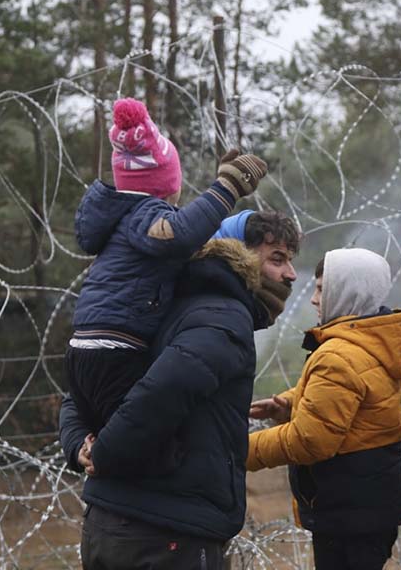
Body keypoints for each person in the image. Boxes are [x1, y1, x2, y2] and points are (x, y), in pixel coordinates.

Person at [59, 212, 300, 570]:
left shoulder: (167, 303)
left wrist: (80, 444)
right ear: (240, 255)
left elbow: (85, 384)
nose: (291, 274)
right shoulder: (223, 315)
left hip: (114, 525)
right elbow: (163, 392)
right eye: (277, 259)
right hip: (166, 535)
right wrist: (104, 455)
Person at [67, 96, 267, 435]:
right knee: (147, 444)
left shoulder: (123, 220)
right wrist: (226, 188)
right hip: (117, 348)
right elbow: (180, 234)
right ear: (163, 184)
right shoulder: (145, 215)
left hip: (86, 348)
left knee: (110, 436)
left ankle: (94, 451)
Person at [246, 249, 401, 570]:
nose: (313, 299)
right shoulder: (373, 339)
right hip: (370, 506)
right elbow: (351, 391)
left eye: (323, 289)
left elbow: (309, 441)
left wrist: (239, 450)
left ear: (349, 292)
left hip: (348, 513)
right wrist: (288, 402)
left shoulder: (339, 354)